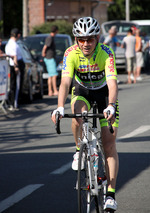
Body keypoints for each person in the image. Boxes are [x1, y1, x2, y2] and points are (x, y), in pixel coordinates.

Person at [51, 17, 119, 211]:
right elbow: (65, 82)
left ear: (97, 38)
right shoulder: (70, 53)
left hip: (105, 94)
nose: (86, 43)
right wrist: (59, 107)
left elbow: (113, 84)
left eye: (90, 39)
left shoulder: (106, 53)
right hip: (82, 91)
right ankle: (77, 150)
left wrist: (112, 106)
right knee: (77, 115)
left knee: (108, 144)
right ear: (76, 39)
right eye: (81, 39)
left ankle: (111, 195)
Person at [5, 28, 24, 110]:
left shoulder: (11, 43)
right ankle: (14, 103)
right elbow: (14, 56)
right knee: (16, 85)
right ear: (17, 35)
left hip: (13, 65)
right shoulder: (13, 44)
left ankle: (14, 103)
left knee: (14, 85)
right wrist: (16, 67)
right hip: (15, 65)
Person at [42, 25, 59, 96]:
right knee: (54, 75)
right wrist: (43, 53)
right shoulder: (50, 38)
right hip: (50, 58)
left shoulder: (50, 37)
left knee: (50, 76)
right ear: (56, 31)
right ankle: (55, 90)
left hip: (49, 58)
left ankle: (50, 91)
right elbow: (45, 46)